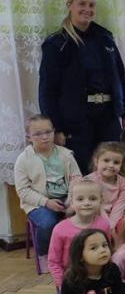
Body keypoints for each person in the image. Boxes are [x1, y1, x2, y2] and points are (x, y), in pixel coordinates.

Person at [39, 0, 125, 173]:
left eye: (91, 5)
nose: (87, 9)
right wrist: (56, 128)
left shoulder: (105, 39)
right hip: (76, 119)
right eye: (82, 4)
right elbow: (47, 90)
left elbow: (120, 77)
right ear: (70, 6)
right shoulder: (57, 43)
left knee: (111, 170)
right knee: (82, 172)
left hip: (108, 116)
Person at [14, 114, 82, 266]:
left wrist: (71, 199)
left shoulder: (66, 154)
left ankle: (76, 253)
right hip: (38, 204)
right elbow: (23, 191)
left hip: (67, 198)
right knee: (47, 222)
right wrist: (46, 202)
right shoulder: (23, 160)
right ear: (29, 137)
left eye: (48, 132)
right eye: (38, 134)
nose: (44, 137)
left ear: (54, 131)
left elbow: (76, 178)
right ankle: (44, 255)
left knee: (86, 214)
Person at [47, 179, 112, 289]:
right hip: (70, 281)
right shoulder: (60, 229)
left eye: (93, 198)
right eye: (80, 199)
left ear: (101, 201)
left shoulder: (104, 224)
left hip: (98, 278)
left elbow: (108, 250)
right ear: (72, 202)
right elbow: (54, 261)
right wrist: (62, 284)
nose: (86, 203)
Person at [84, 142, 125, 237]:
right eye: (106, 160)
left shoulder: (124, 184)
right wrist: (107, 225)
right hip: (93, 213)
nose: (111, 165)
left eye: (116, 162)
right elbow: (97, 206)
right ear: (96, 161)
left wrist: (111, 226)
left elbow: (119, 207)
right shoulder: (89, 181)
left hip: (115, 217)